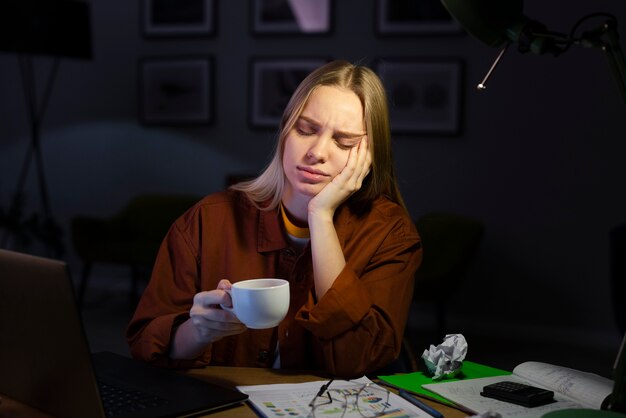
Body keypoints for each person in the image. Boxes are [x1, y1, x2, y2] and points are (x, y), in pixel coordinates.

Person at [126, 60, 422, 378]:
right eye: (305, 129)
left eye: (344, 141)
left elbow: (357, 360)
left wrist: (320, 216)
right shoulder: (208, 220)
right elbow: (145, 345)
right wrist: (199, 330)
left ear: (370, 155)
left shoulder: (391, 233)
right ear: (285, 130)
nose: (317, 151)